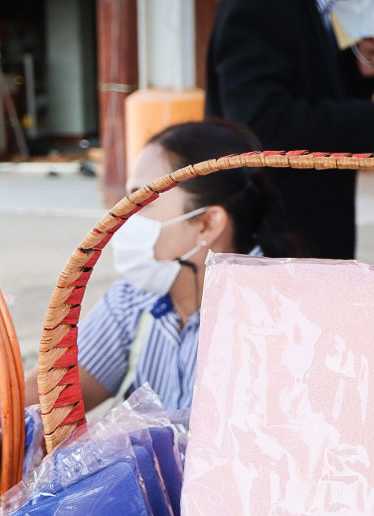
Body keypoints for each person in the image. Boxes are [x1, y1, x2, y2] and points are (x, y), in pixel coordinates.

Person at [71, 119, 291, 412]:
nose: (121, 217)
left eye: (142, 202)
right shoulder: (133, 297)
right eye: (127, 200)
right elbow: (52, 395)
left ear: (207, 223)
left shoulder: (277, 320)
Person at [205, 0, 374, 259]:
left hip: (304, 229)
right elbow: (261, 125)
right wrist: (373, 119)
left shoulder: (304, 7)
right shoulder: (258, 6)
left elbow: (308, 88)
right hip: (274, 236)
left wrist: (356, 69)